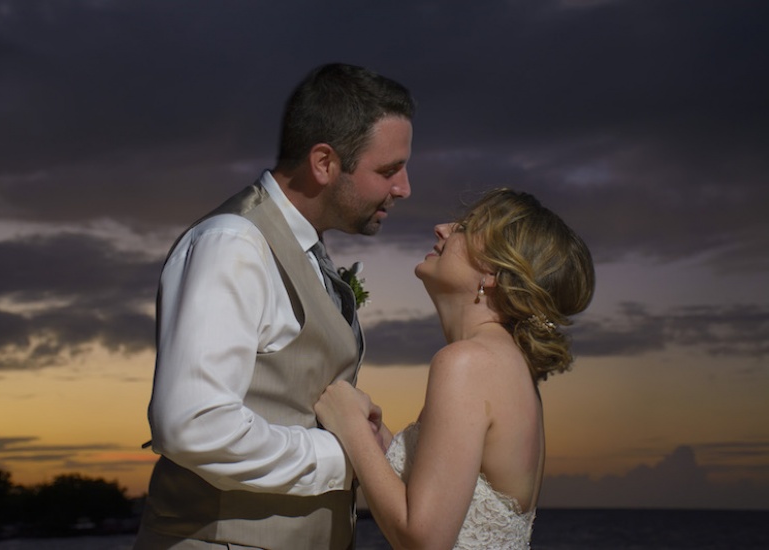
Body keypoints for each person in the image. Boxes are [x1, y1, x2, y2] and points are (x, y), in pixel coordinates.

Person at [134, 63, 415, 549]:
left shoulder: (300, 248)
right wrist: (342, 454)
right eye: (388, 170)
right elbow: (192, 426)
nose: (404, 187)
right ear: (324, 162)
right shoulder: (234, 244)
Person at [315, 188, 595, 549]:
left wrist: (350, 427)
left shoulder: (468, 363)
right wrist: (380, 440)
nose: (442, 228)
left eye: (465, 227)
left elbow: (425, 540)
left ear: (493, 272)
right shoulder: (506, 365)